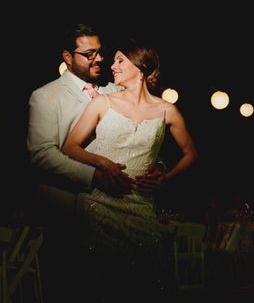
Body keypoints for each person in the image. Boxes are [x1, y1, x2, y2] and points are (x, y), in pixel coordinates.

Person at [62, 38, 197, 298]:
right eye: (114, 61)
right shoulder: (102, 102)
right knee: (105, 283)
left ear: (141, 67)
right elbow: (70, 146)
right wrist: (103, 164)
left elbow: (191, 154)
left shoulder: (166, 110)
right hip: (99, 204)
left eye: (120, 60)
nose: (112, 66)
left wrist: (165, 179)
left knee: (151, 282)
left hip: (141, 206)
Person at [26, 24, 134, 215]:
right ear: (68, 57)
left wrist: (155, 165)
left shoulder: (116, 90)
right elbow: (42, 154)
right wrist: (94, 176)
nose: (99, 59)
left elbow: (136, 134)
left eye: (99, 52)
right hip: (67, 205)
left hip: (119, 204)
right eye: (89, 54)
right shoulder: (45, 96)